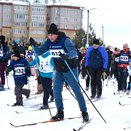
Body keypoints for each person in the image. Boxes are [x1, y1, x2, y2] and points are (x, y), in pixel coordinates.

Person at [30, 23, 89, 122]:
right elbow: (39, 52)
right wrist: (34, 45)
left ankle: (84, 112)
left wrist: (66, 56)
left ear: (56, 34)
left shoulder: (65, 40)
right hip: (59, 69)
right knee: (56, 90)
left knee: (77, 91)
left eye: (52, 35)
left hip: (70, 68)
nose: (50, 37)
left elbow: (74, 52)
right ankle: (60, 112)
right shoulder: (49, 42)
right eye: (49, 35)